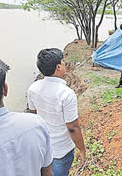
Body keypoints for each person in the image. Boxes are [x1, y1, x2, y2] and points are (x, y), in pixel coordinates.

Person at [28, 48, 86, 176]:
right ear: (58, 67)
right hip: (61, 150)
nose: (65, 64)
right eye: (63, 62)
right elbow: (72, 127)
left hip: (42, 146)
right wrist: (82, 149)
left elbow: (33, 115)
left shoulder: (33, 88)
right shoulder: (66, 94)